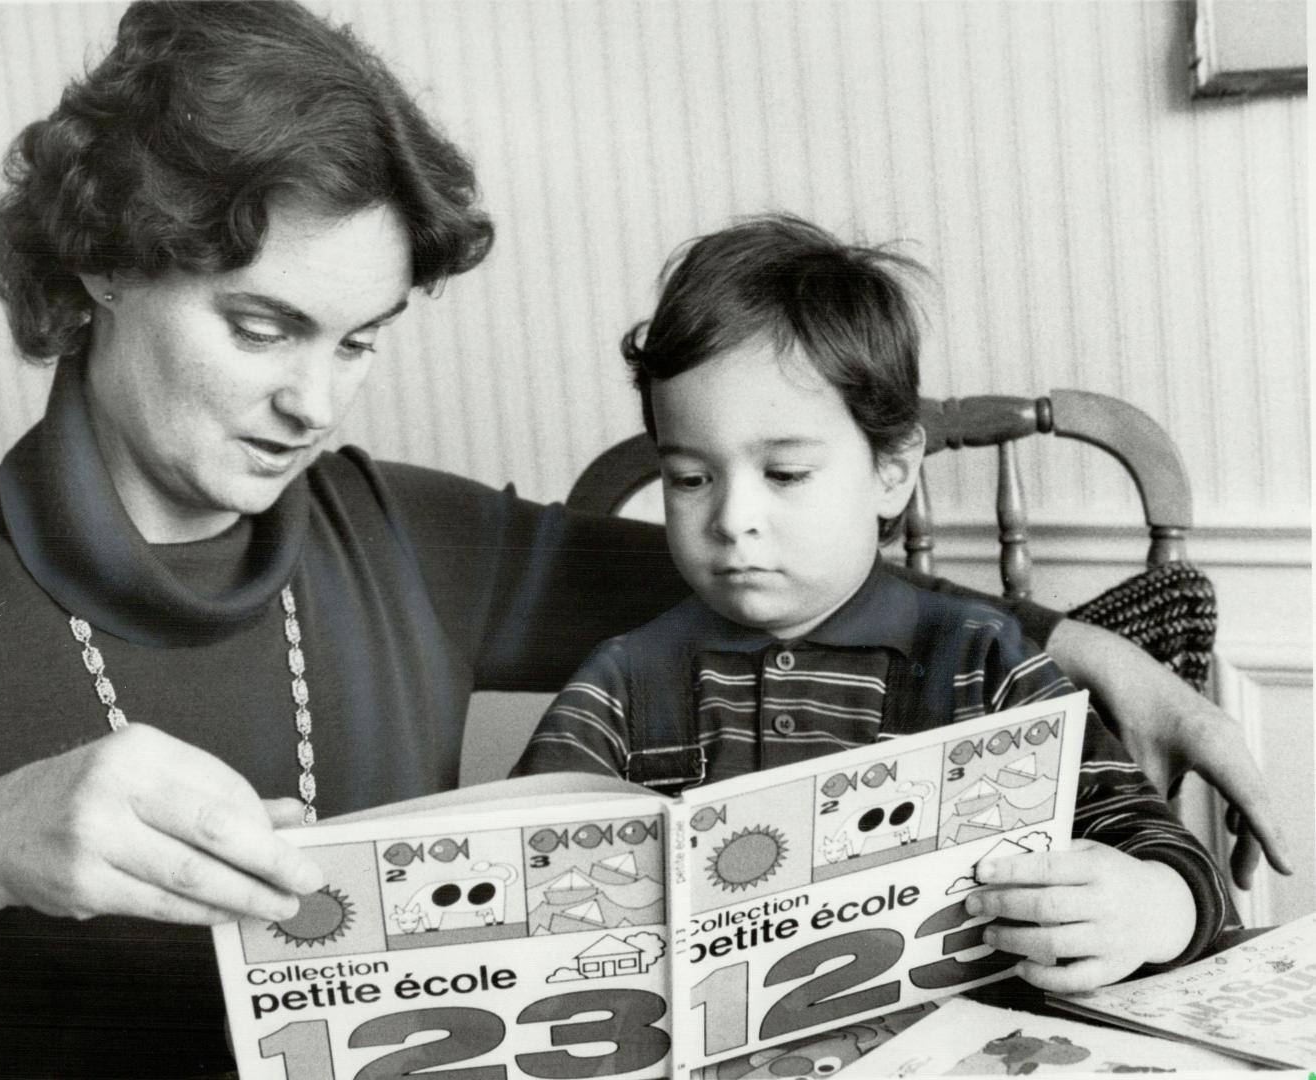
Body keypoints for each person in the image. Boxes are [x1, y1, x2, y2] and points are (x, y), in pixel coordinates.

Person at [0, 2, 1287, 1077]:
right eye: (262, 327)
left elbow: (767, 575)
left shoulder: (394, 531)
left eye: (360, 340)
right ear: (98, 265)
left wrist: (1087, 652)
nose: (314, 400)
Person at [512, 216, 1232, 990]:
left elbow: (1155, 843)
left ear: (891, 471)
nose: (730, 518)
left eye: (784, 474)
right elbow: (522, 868)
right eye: (690, 479)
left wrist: (1156, 905)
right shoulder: (622, 681)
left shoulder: (981, 659)